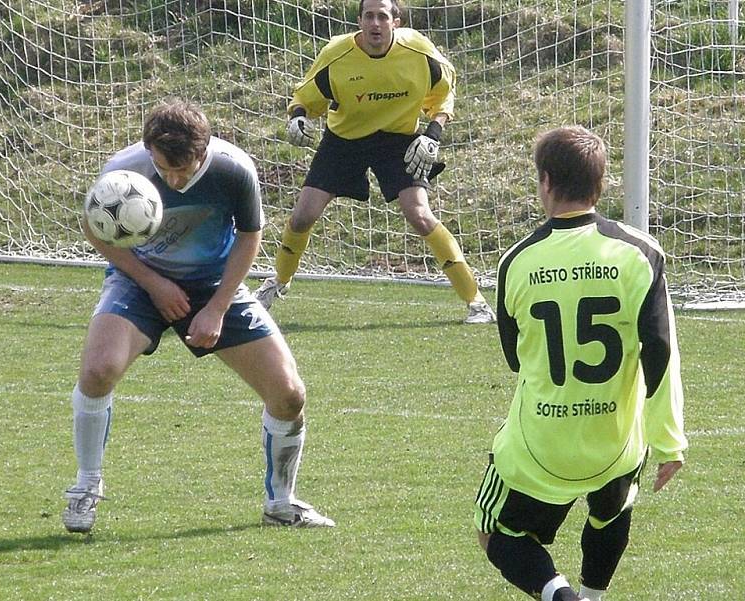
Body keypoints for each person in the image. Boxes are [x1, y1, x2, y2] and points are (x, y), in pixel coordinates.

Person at [62, 99, 334, 533]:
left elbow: (250, 236)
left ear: (202, 152)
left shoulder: (233, 169)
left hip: (213, 283)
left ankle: (282, 503)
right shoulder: (124, 170)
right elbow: (94, 228)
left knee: (289, 394)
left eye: (181, 172)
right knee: (98, 371)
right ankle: (86, 487)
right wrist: (154, 284)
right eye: (163, 169)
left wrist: (218, 307)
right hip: (139, 280)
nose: (171, 179)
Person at [473, 126, 687, 601]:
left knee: (495, 532)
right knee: (612, 509)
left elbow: (515, 357)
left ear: (545, 181)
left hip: (541, 445)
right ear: (601, 183)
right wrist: (669, 441)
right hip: (614, 444)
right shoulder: (640, 254)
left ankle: (562, 597)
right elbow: (659, 351)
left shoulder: (518, 260)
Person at [255, 0, 495, 324]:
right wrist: (298, 118)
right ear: (360, 22)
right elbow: (305, 97)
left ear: (396, 21)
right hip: (344, 141)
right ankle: (276, 283)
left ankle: (477, 303)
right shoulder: (336, 54)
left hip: (397, 140)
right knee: (302, 217)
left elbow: (445, 92)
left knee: (420, 215)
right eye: (369, 16)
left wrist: (433, 134)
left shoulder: (420, 52)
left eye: (383, 16)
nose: (375, 23)